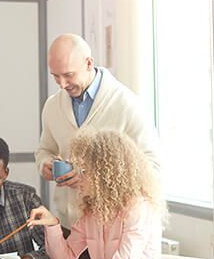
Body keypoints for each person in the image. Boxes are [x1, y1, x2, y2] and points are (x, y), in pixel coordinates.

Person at [28, 129, 173, 259]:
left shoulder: (138, 208)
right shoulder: (93, 209)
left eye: (83, 171)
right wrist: (52, 225)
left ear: (104, 174)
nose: (77, 178)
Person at [36, 33, 160, 230]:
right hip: (69, 226)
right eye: (55, 76)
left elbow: (152, 167)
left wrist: (92, 177)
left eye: (68, 75)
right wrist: (45, 163)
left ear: (88, 63)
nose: (62, 84)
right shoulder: (52, 106)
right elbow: (45, 150)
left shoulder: (127, 105)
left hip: (112, 229)